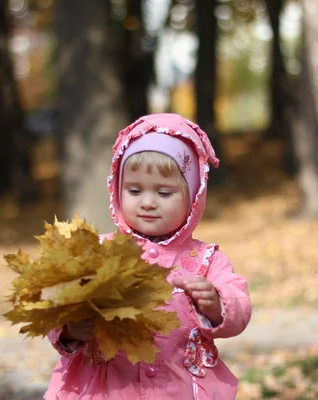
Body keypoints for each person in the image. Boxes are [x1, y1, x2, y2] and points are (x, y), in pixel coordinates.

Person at [45, 113, 252, 400]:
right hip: (110, 388)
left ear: (193, 198)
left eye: (164, 193)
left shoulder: (205, 259)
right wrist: (70, 330)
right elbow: (58, 304)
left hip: (180, 387)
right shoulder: (98, 252)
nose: (148, 203)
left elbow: (240, 305)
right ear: (117, 190)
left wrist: (217, 304)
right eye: (134, 190)